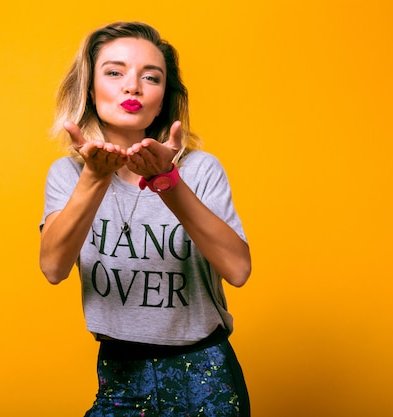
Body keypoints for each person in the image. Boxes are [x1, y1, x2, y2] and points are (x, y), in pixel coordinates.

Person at [39, 21, 252, 417]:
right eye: (114, 72)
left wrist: (167, 183)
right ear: (89, 87)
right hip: (119, 375)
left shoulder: (200, 170)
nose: (132, 86)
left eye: (149, 77)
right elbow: (52, 267)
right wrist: (95, 177)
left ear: (163, 97)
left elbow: (238, 270)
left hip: (205, 378)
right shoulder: (67, 175)